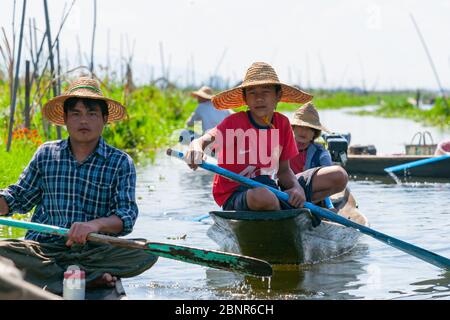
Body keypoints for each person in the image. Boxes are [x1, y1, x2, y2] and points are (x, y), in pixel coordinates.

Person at [0, 77, 157, 295]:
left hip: (94, 250)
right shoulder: (47, 154)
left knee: (146, 252)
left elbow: (125, 217)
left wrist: (93, 226)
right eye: (76, 113)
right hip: (45, 251)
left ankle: (68, 276)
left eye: (92, 113)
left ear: (104, 119)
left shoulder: (120, 162)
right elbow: (18, 197)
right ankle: (86, 278)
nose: (84, 120)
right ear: (65, 119)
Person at [185, 62, 345, 212]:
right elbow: (203, 140)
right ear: (245, 99)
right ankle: (289, 211)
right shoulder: (234, 122)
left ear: (277, 96)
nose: (259, 98)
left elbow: (284, 171)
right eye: (252, 93)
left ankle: (291, 206)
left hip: (274, 187)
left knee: (338, 175)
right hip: (238, 193)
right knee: (264, 197)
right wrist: (195, 148)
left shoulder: (282, 123)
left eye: (266, 92)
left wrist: (296, 188)